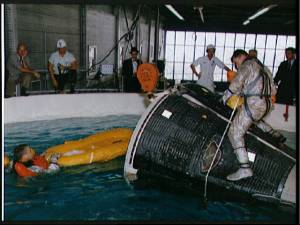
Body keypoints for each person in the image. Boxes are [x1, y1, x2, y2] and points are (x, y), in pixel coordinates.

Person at [222, 49, 277, 181]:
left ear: (241, 57)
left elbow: (237, 82)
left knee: (234, 132)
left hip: (254, 103)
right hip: (267, 104)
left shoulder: (247, 64)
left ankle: (245, 168)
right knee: (251, 120)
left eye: (236, 63)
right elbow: (273, 89)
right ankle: (274, 133)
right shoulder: (263, 67)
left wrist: (226, 95)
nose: (237, 66)